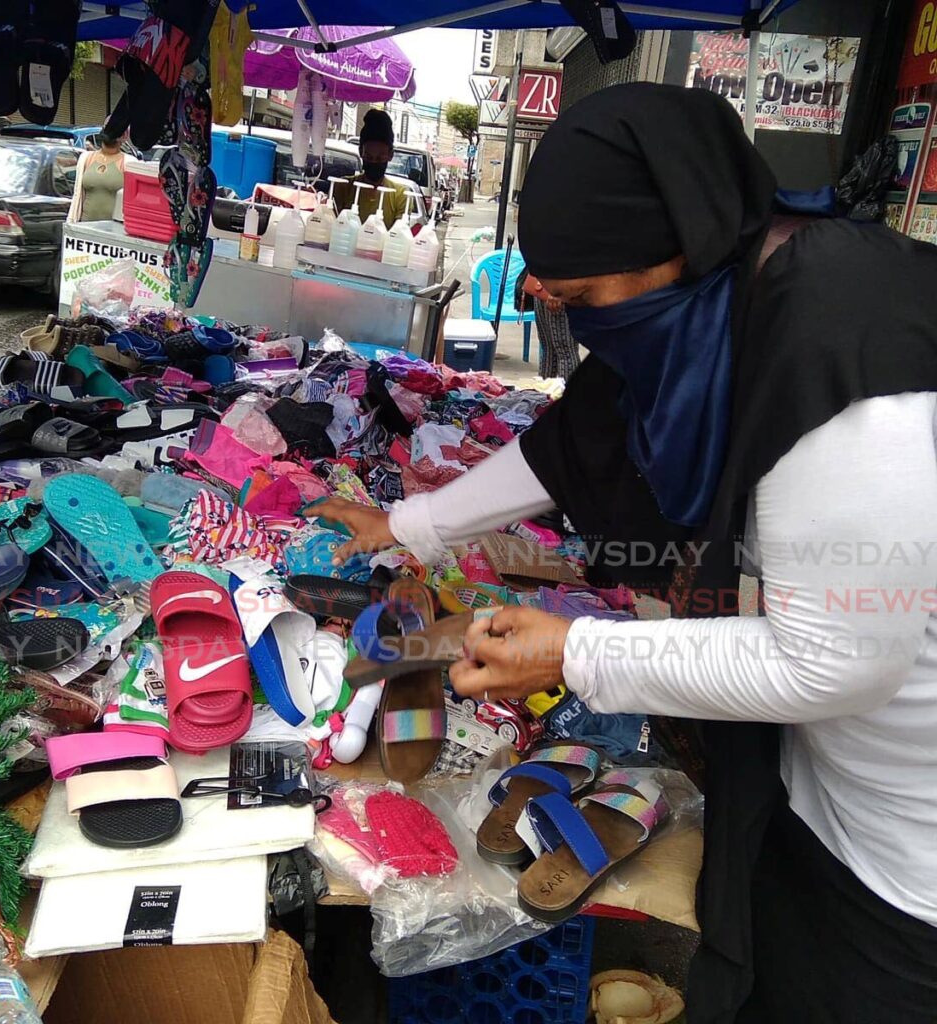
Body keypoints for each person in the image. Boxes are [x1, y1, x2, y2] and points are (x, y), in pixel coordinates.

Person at [314, 84, 937, 1022]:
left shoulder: (842, 350)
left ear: (679, 244)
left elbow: (835, 660)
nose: (583, 326)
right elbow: (577, 444)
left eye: (587, 300)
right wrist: (409, 529)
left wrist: (575, 651)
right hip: (820, 790)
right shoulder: (720, 306)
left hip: (911, 858)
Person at [333, 109, 406, 230]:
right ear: (360, 152)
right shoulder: (343, 187)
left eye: (380, 158)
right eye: (369, 157)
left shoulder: (400, 195)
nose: (374, 162)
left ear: (390, 155)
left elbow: (397, 237)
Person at [520, 272, 580, 380]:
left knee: (565, 350)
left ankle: (569, 393)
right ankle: (544, 392)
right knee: (548, 348)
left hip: (560, 286)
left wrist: (558, 290)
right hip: (541, 284)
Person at [67, 130, 126, 224]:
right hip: (84, 228)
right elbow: (77, 194)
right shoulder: (86, 158)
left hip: (114, 231)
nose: (111, 130)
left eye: (116, 128)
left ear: (124, 136)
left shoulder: (129, 162)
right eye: (107, 127)